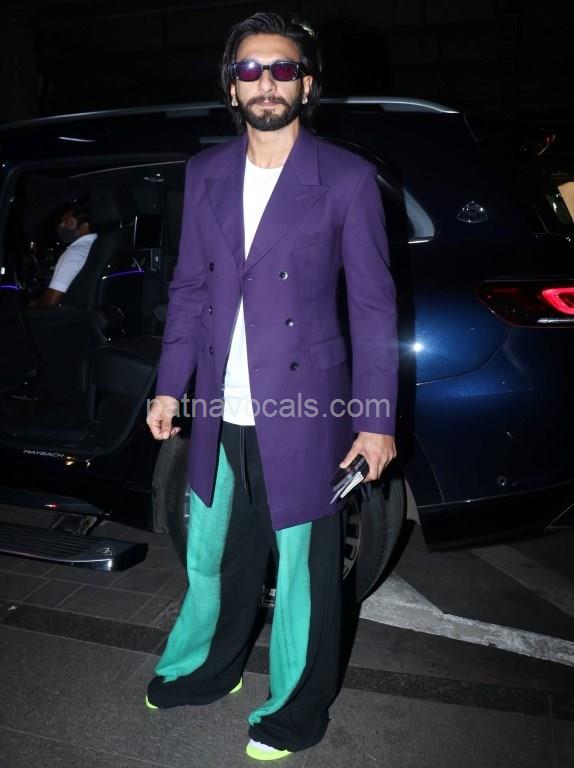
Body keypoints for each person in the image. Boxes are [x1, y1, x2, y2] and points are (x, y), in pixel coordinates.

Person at [145, 11, 398, 762]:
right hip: (221, 404)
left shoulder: (346, 178)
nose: (266, 82)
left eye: (283, 69)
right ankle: (210, 668)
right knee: (217, 551)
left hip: (306, 406)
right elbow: (190, 288)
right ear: (232, 87)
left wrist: (376, 420)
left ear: (306, 85)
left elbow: (374, 306)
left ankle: (294, 710)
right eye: (250, 69)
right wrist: (169, 386)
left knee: (305, 571)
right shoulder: (206, 173)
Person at [28, 204, 97, 307]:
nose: (61, 225)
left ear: (85, 226)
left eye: (66, 221)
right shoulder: (96, 246)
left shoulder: (75, 252)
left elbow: (50, 302)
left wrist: (32, 305)